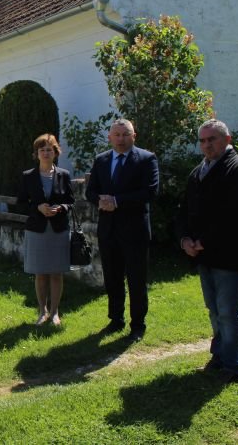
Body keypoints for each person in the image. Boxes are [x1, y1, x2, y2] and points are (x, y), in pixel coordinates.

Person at [177, 119, 238, 383]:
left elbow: (235, 216)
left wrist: (203, 242)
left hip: (230, 254)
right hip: (204, 254)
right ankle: (221, 355)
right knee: (214, 309)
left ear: (227, 139)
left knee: (229, 311)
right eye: (202, 140)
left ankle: (234, 366)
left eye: (211, 139)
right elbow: (185, 210)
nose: (206, 145)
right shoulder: (198, 171)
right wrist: (185, 239)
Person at [86, 118, 159, 342]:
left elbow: (150, 191)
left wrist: (117, 201)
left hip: (134, 231)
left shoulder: (146, 159)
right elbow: (90, 191)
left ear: (133, 136)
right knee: (112, 278)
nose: (121, 139)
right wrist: (100, 200)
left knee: (136, 280)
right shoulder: (101, 160)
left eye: (126, 134)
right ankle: (116, 319)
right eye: (117, 135)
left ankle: (138, 325)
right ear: (109, 137)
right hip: (108, 230)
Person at [17, 134, 74, 326]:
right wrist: (37, 208)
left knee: (56, 273)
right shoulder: (28, 176)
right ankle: (42, 311)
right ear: (37, 153)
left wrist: (61, 208)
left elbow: (71, 202)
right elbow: (21, 203)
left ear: (56, 152)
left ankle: (55, 312)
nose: (46, 153)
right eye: (42, 150)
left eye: (49, 149)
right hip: (37, 230)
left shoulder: (64, 175)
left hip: (58, 230)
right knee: (40, 272)